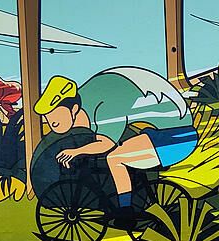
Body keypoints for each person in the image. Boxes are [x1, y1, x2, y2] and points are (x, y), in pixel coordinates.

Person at [33, 70, 197, 228]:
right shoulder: (85, 102)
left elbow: (107, 143)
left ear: (74, 109)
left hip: (177, 136)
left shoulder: (103, 104)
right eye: (49, 119)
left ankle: (126, 211)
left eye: (55, 117)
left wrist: (76, 151)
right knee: (114, 156)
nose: (51, 122)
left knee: (115, 158)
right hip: (156, 133)